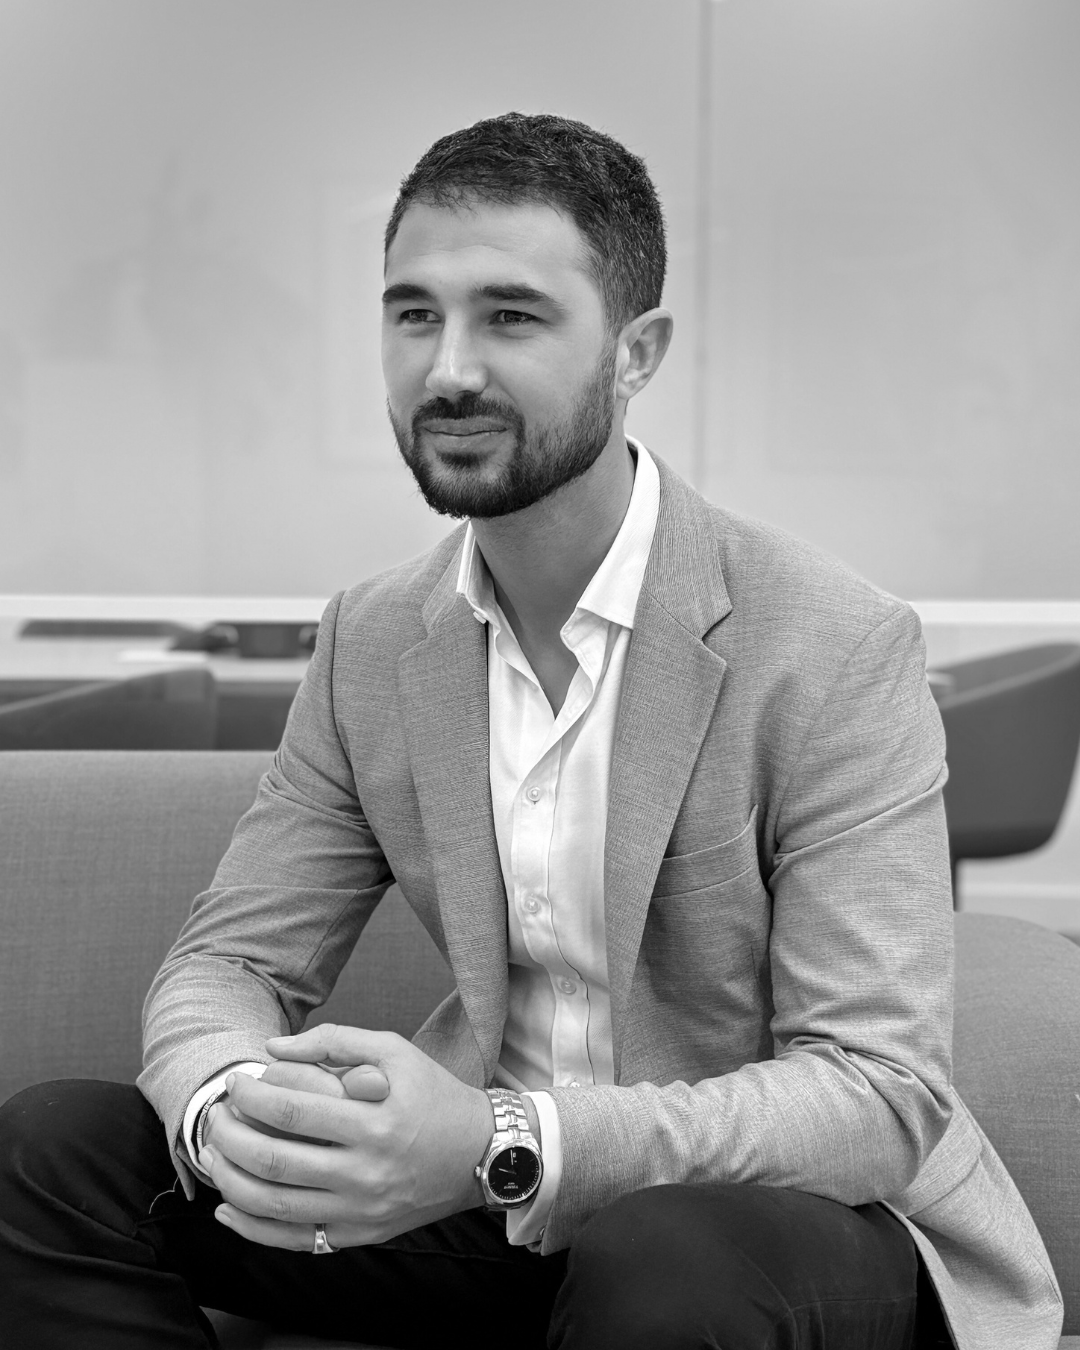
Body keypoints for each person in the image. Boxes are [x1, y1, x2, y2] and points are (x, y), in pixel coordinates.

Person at [0, 112, 1062, 1350]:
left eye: (511, 317)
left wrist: (503, 1141)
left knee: (664, 1254)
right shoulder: (371, 642)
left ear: (635, 352)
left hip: (777, 1223)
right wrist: (237, 1108)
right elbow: (230, 964)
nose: (449, 369)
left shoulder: (832, 644)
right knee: (57, 1150)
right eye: (414, 314)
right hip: (481, 1210)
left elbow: (876, 1094)